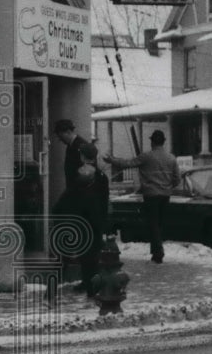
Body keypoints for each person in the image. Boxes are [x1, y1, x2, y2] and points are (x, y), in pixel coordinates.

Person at [104, 130, 180, 264]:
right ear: (163, 141)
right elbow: (177, 179)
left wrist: (111, 160)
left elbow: (126, 164)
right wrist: (167, 186)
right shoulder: (171, 158)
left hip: (150, 195)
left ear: (152, 142)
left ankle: (158, 253)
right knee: (159, 224)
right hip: (165, 195)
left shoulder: (146, 156)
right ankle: (156, 252)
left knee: (153, 224)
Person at [52, 142, 117, 295]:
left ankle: (86, 283)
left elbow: (69, 196)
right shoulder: (101, 176)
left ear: (82, 156)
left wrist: (58, 210)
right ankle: (91, 283)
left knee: (81, 252)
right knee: (92, 253)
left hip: (80, 217)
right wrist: (104, 220)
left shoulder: (79, 174)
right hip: (95, 218)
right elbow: (104, 198)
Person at [53, 118, 87, 190]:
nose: (60, 140)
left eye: (61, 137)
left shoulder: (80, 145)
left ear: (68, 132)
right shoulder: (71, 145)